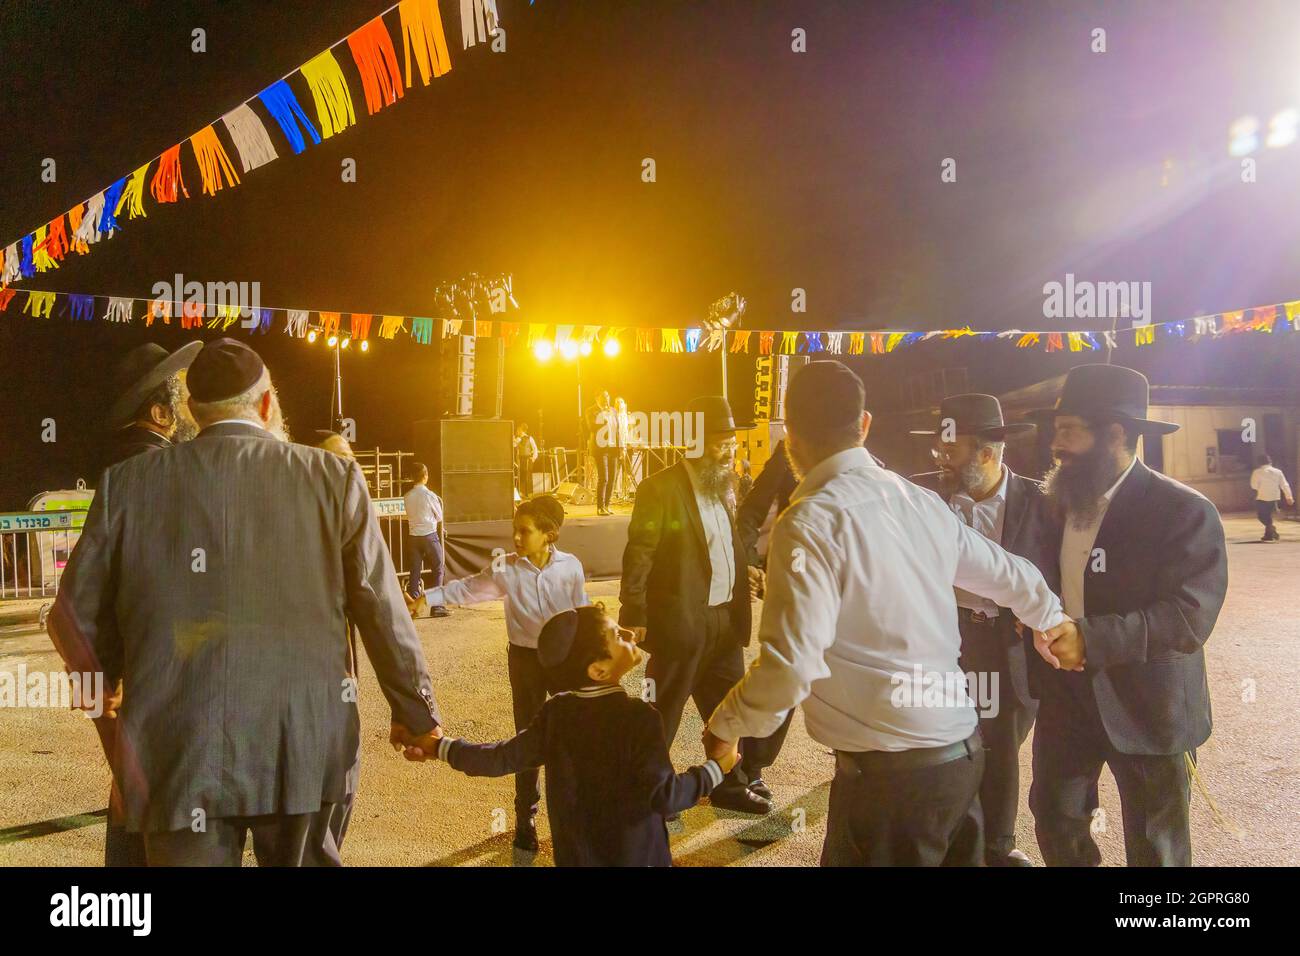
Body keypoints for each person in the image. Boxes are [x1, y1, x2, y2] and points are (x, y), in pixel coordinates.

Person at [47, 338, 443, 866]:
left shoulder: (127, 485)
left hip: (176, 752)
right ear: (264, 405)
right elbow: (380, 604)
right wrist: (416, 712)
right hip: (301, 743)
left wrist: (106, 683)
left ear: (191, 411)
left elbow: (70, 613)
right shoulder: (333, 478)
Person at [703, 361, 1071, 866]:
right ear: (865, 424)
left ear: (789, 434)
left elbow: (789, 668)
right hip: (959, 758)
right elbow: (1010, 574)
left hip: (889, 783)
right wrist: (1054, 621)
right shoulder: (915, 500)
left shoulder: (810, 520)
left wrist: (724, 726)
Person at [1027, 364, 1228, 867]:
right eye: (1057, 430)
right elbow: (1042, 577)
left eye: (1069, 430)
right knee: (1056, 817)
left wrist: (1087, 639)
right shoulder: (1059, 500)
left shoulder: (1183, 510)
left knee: (1155, 844)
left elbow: (1187, 618)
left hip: (1148, 706)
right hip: (1066, 697)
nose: (1057, 443)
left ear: (1115, 433)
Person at [403, 606, 737, 866]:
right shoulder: (638, 719)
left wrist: (439, 747)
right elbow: (666, 797)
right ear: (599, 671)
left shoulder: (557, 713)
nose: (628, 633)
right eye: (616, 635)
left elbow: (499, 757)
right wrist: (715, 768)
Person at [71, 341, 202, 867]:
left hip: (134, 721)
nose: (195, 408)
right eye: (186, 398)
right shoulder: (165, 478)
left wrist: (107, 726)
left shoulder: (119, 476)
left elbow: (77, 615)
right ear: (160, 412)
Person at [909, 393, 1053, 867]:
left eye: (950, 451)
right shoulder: (922, 498)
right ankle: (949, 839)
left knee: (1000, 746)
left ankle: (996, 846)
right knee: (944, 742)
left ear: (988, 454)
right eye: (938, 450)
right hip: (943, 639)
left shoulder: (1043, 505)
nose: (939, 460)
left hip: (1005, 644)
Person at [407, 495, 587, 852]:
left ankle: (574, 817)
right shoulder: (506, 569)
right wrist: (428, 596)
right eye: (514, 531)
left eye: (525, 531)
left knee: (571, 738)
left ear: (549, 534)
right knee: (527, 739)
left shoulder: (571, 567)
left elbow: (580, 615)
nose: (516, 539)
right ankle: (526, 818)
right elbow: (468, 588)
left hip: (565, 662)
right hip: (526, 664)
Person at [619, 396, 771, 815]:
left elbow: (730, 542)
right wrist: (634, 612)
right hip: (680, 623)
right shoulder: (660, 488)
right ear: (696, 443)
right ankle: (649, 793)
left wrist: (749, 570)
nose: (730, 451)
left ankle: (729, 783)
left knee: (728, 712)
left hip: (725, 620)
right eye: (721, 442)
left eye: (732, 442)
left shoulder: (725, 484)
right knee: (661, 715)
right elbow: (640, 552)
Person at [103, 342, 202, 470]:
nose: (198, 408)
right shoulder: (163, 463)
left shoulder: (129, 455)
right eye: (189, 401)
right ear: (160, 415)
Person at [404, 463, 449, 618]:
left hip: (413, 536)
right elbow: (439, 515)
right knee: (438, 568)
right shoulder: (430, 495)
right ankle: (437, 606)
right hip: (429, 535)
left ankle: (413, 605)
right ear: (426, 476)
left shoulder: (407, 496)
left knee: (414, 571)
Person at [585, 390, 618, 515]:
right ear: (597, 398)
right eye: (604, 396)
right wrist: (603, 417)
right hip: (601, 448)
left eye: (608, 396)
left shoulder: (613, 411)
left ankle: (607, 506)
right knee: (604, 478)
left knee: (612, 478)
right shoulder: (591, 411)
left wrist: (620, 446)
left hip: (613, 448)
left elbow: (617, 429)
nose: (606, 398)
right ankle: (600, 507)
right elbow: (591, 427)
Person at [1250, 453, 1293, 542]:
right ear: (1270, 462)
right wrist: (1289, 497)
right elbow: (1284, 484)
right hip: (1274, 497)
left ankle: (1270, 530)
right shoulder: (1278, 472)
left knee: (1262, 516)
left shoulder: (1257, 472)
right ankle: (1269, 533)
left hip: (1262, 497)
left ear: (1259, 463)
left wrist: (1260, 487)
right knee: (1269, 515)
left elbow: (1254, 486)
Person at [514, 423, 539, 498]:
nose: (517, 431)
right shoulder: (517, 439)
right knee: (521, 475)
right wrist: (516, 439)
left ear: (521, 430)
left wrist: (534, 458)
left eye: (518, 430)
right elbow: (513, 445)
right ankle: (521, 493)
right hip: (520, 459)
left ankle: (529, 493)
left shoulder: (529, 438)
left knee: (527, 476)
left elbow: (535, 448)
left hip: (528, 459)